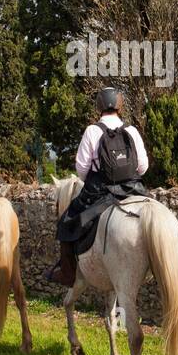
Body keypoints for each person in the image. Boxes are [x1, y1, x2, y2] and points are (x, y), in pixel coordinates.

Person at [47, 87, 148, 285]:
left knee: (66, 222)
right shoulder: (132, 131)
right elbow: (143, 167)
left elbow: (82, 169)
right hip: (133, 189)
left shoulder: (92, 131)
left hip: (100, 192)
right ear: (120, 105)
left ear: (99, 106)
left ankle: (67, 273)